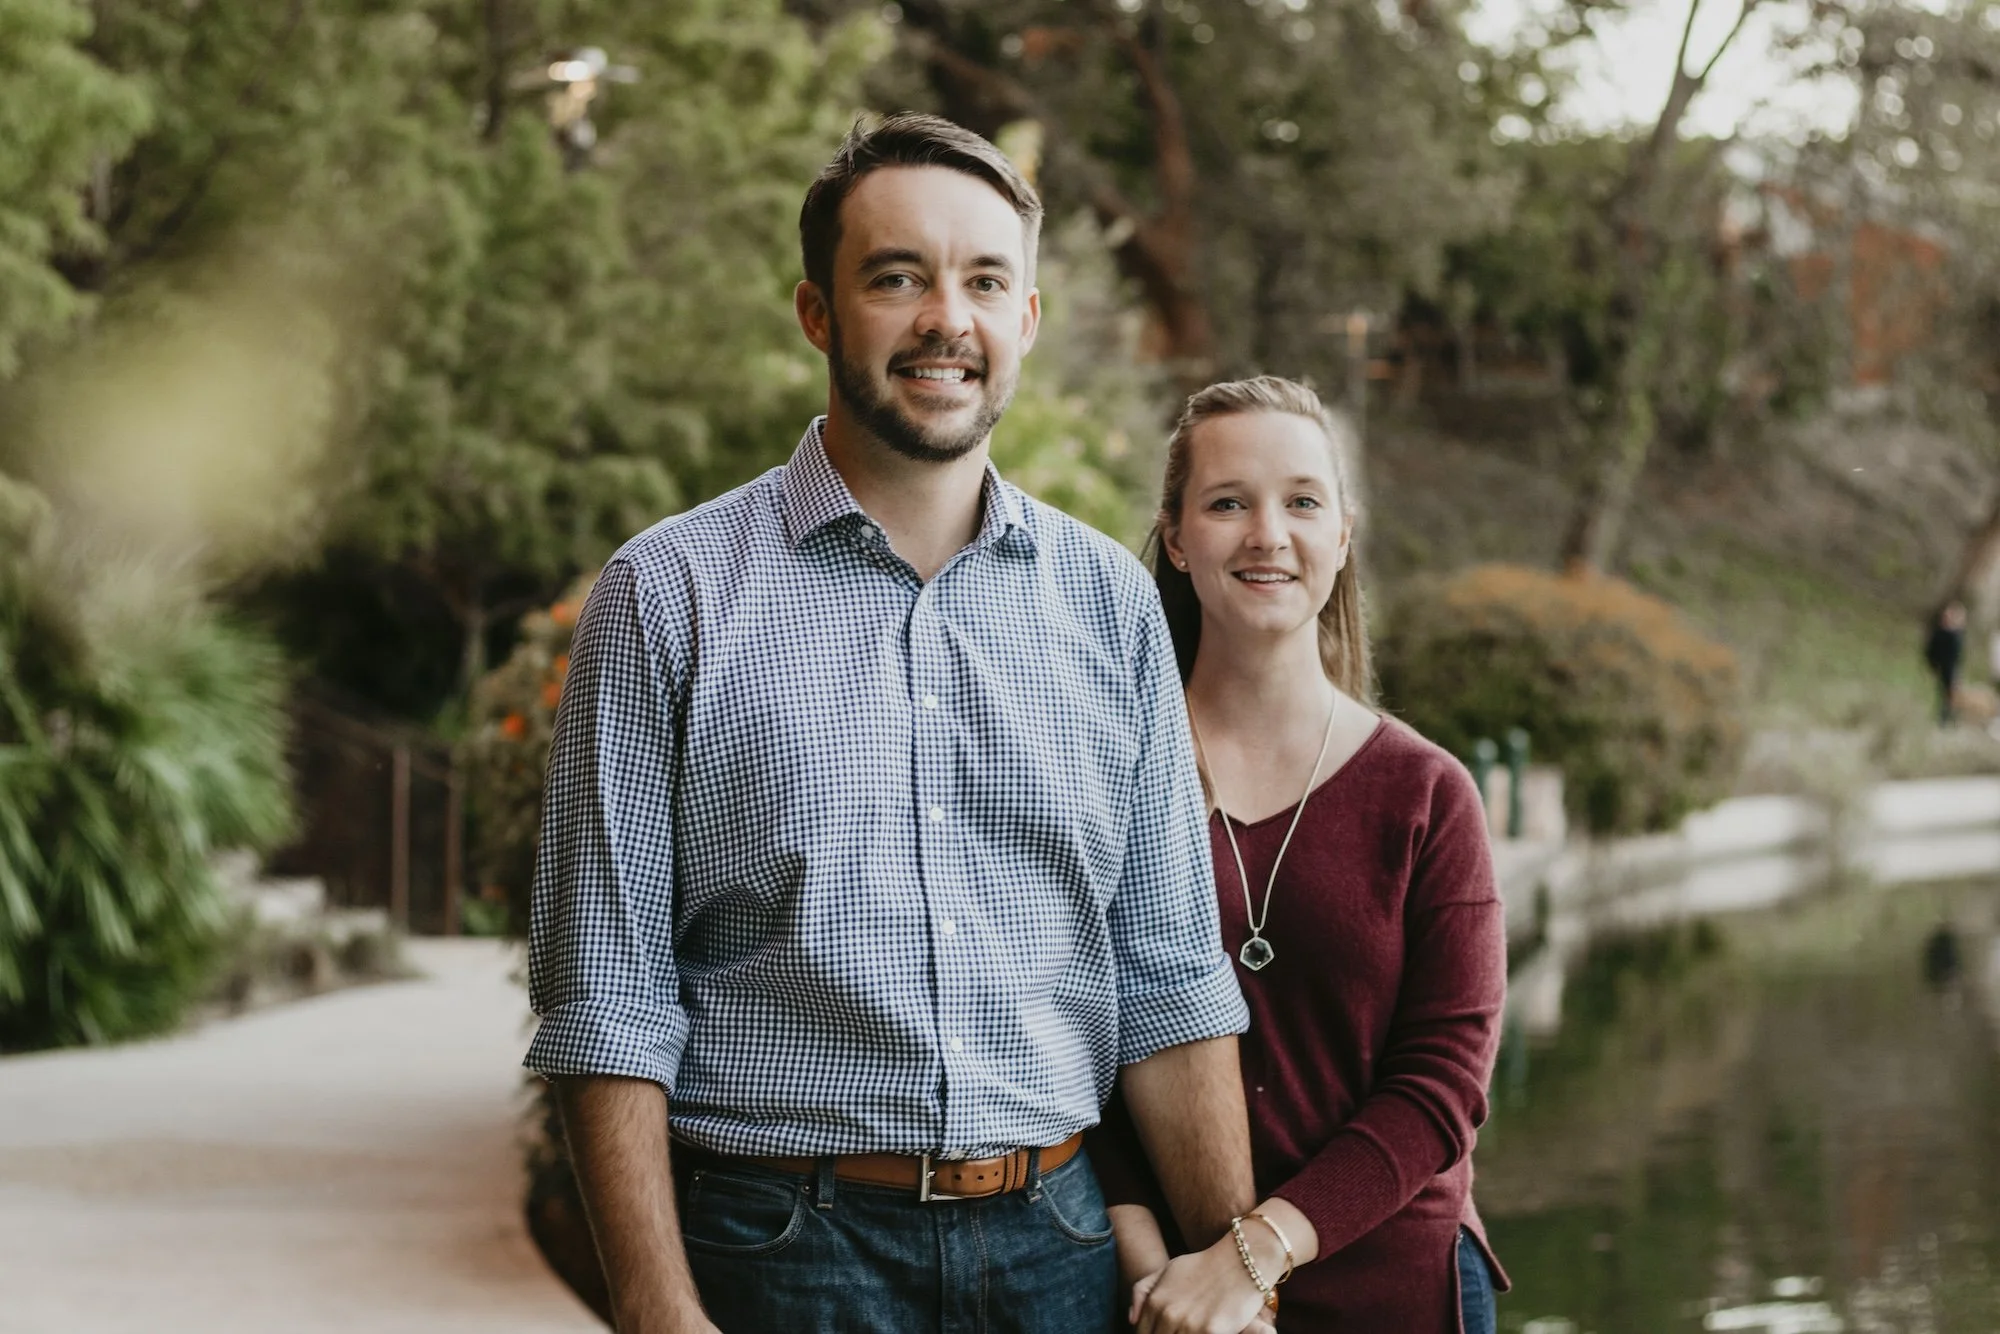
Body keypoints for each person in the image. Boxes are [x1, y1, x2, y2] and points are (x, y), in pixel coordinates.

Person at [524, 113, 1258, 1334]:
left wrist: (1236, 1269)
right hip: (777, 1249)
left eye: (982, 281)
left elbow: (1168, 976)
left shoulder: (1111, 602)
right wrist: (656, 1308)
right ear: (818, 312)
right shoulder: (669, 591)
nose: (944, 320)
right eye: (895, 277)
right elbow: (607, 989)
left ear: (1024, 320)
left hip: (1059, 1245)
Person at [1090, 377, 1510, 1333]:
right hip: (1161, 1297)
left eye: (1302, 502)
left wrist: (1256, 1254)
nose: (1267, 533)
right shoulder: (1105, 773)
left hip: (1397, 1290)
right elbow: (1074, 1039)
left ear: (1344, 537)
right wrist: (1158, 1272)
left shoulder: (1428, 795)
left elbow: (1445, 1083)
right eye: (1229, 502)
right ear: (1177, 535)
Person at [1926, 599, 1967, 725]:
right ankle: (1945, 719)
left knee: (1952, 694)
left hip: (1952, 667)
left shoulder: (1955, 634)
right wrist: (1933, 665)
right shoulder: (1945, 634)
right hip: (1947, 668)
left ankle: (1951, 718)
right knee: (1948, 694)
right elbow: (1933, 651)